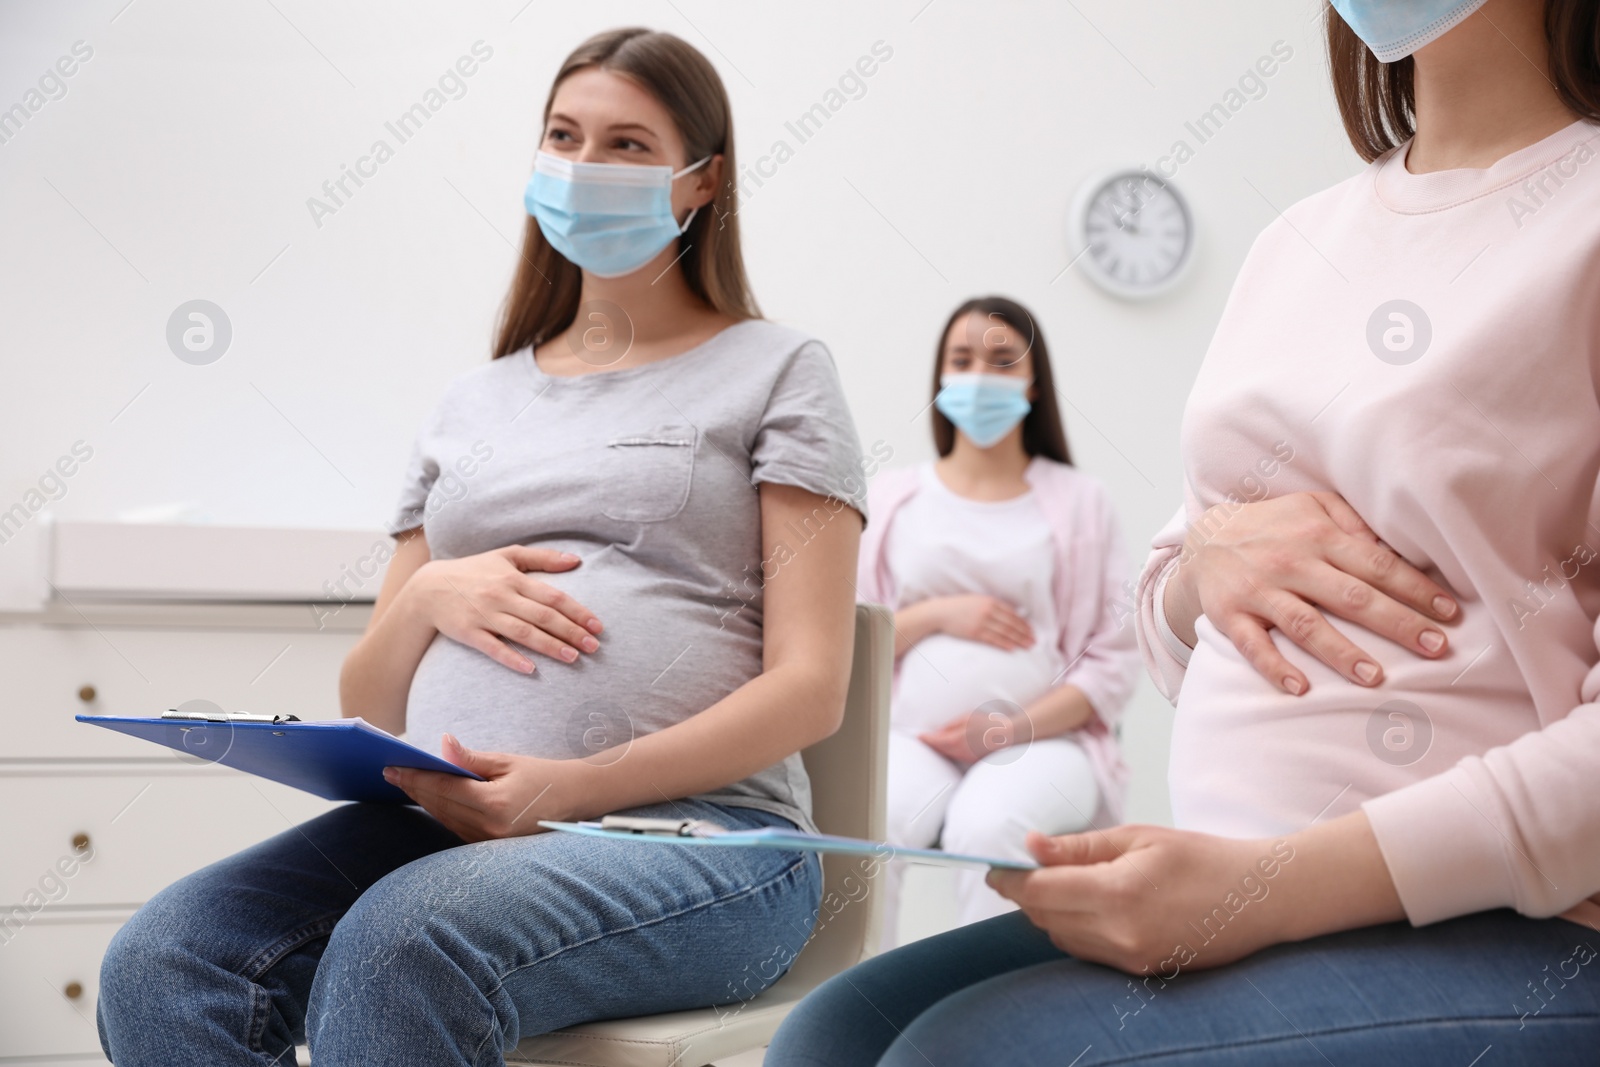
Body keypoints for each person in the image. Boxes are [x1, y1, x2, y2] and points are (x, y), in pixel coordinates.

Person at [767, 1, 1600, 1063]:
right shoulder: (1297, 241)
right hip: (1237, 878)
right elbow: (1167, 625)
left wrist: (1264, 892)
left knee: (956, 1054)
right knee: (834, 1033)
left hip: (1508, 920)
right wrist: (1200, 570)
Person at [96, 28, 868, 1065]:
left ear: (700, 182)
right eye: (563, 135)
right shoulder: (471, 402)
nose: (585, 166)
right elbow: (371, 704)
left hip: (708, 841)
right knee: (164, 958)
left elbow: (812, 686)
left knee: (404, 940)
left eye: (629, 145)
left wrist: (572, 785)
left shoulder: (777, 370)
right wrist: (421, 602)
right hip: (442, 832)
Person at [857, 296, 1140, 944]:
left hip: (1042, 742)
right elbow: (851, 645)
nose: (980, 373)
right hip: (911, 738)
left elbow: (1113, 659)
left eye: (1002, 358)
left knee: (989, 825)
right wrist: (934, 614)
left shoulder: (1079, 501)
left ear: (1033, 383)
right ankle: (856, 1014)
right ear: (940, 377)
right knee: (868, 821)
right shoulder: (892, 498)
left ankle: (984, 1030)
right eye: (963, 359)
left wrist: (1009, 728)